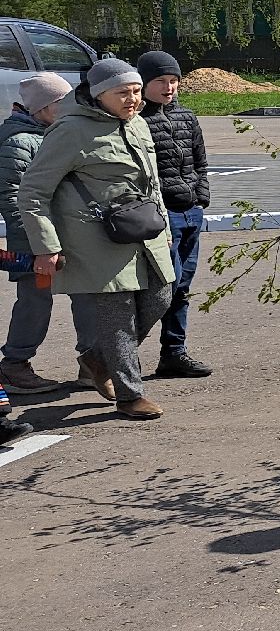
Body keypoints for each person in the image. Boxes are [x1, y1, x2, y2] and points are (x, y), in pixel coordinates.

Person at [15, 57, 176, 421]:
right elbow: (33, 192)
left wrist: (163, 228)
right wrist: (47, 246)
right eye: (123, 93)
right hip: (93, 239)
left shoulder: (137, 125)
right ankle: (129, 395)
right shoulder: (70, 130)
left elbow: (153, 183)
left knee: (160, 296)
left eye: (136, 92)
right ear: (100, 94)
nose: (133, 100)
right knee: (116, 316)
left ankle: (97, 359)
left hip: (143, 232)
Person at [1, 73, 79, 398]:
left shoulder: (41, 133)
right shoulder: (18, 141)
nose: (68, 108)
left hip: (50, 241)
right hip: (35, 246)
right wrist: (38, 246)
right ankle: (15, 365)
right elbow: (12, 198)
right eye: (62, 103)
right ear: (43, 106)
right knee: (35, 302)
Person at [136, 51, 213, 379]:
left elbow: (200, 159)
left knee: (182, 288)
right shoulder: (137, 121)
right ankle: (112, 356)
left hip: (190, 212)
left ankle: (173, 353)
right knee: (163, 288)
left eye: (173, 81)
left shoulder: (187, 116)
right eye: (160, 82)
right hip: (161, 216)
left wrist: (201, 195)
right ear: (143, 83)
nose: (168, 88)